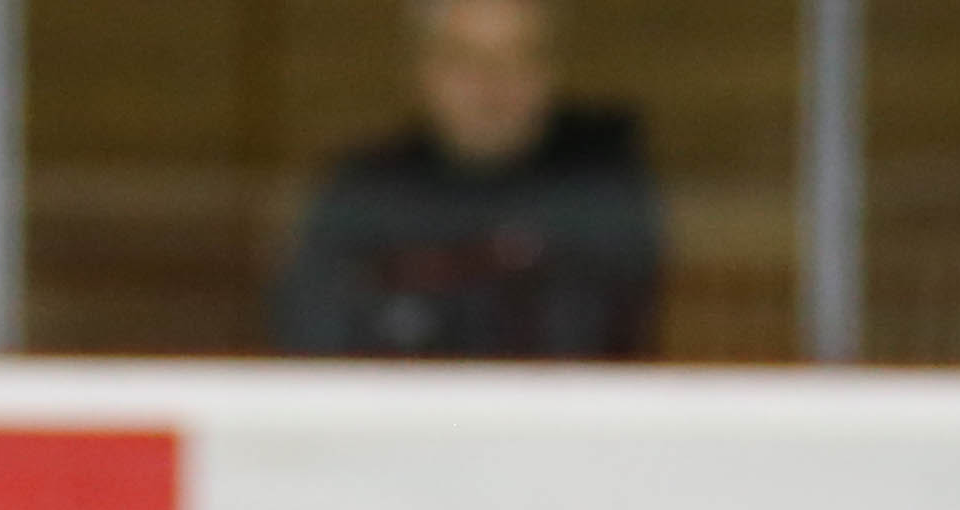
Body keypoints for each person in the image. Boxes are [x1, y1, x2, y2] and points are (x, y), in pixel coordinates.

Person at [268, 0, 663, 361]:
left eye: (519, 58)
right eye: (465, 59)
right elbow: (315, 345)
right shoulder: (363, 197)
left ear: (550, 71)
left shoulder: (598, 195)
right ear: (423, 69)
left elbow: (599, 343)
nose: (491, 85)